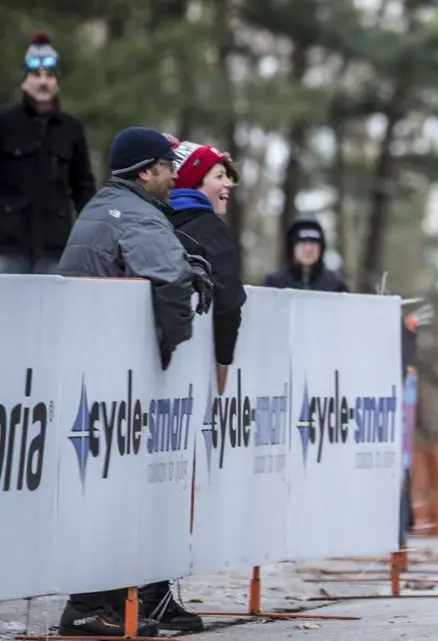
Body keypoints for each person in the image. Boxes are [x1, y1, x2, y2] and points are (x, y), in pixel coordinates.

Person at [55, 127, 214, 637]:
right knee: (114, 488)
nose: (173, 173)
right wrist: (171, 349)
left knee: (101, 485)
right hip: (115, 379)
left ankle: (100, 602)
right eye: (167, 165)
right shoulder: (139, 213)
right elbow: (167, 281)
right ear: (146, 172)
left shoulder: (106, 205)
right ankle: (87, 604)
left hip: (86, 371)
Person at [0, 31, 96, 274]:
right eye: (36, 75)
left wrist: (90, 232)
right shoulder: (5, 124)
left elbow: (83, 186)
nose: (43, 82)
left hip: (55, 246)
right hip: (7, 246)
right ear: (24, 80)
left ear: (58, 82)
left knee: (51, 310)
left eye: (50, 75)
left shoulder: (71, 129)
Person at [168, 136, 246, 396]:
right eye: (219, 176)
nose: (228, 183)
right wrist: (223, 361)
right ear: (193, 180)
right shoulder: (211, 231)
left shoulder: (151, 220)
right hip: (191, 377)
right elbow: (228, 301)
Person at [262, 217, 348, 292]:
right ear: (292, 247)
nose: (308, 249)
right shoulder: (275, 282)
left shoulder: (335, 284)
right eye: (302, 242)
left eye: (314, 243)